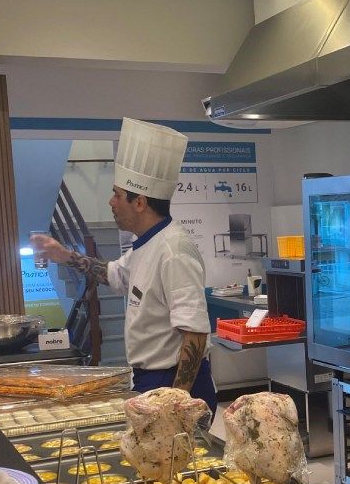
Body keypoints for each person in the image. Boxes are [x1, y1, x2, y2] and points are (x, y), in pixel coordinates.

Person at [33, 118, 216, 416]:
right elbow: (114, 275)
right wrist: (64, 255)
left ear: (140, 202)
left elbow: (194, 334)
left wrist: (176, 403)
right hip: (151, 379)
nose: (111, 202)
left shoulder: (174, 250)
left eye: (117, 195)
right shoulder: (145, 243)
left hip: (176, 385)